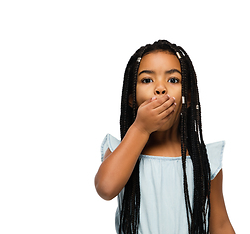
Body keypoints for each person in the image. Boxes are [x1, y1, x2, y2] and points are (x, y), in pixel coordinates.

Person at [94, 40, 235, 234]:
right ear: (130, 98)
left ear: (187, 97)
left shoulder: (204, 159)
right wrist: (141, 129)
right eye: (147, 80)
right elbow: (106, 188)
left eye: (173, 80)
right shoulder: (120, 150)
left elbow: (220, 225)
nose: (160, 89)